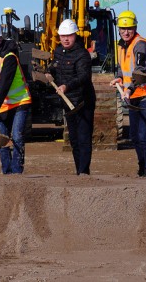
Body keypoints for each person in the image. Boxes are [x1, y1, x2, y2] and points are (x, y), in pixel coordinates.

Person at [110, 10, 146, 177]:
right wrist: (119, 79)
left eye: (130, 28)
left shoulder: (141, 45)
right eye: (123, 29)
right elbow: (122, 68)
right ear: (119, 29)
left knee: (144, 134)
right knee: (134, 136)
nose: (126, 32)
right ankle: (141, 167)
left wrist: (129, 89)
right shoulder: (121, 45)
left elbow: (139, 72)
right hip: (133, 96)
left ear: (135, 27)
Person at [0, 24, 32, 174]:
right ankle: (7, 172)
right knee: (2, 140)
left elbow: (5, 82)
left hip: (19, 102)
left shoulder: (9, 57)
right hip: (3, 105)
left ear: (0, 39)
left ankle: (17, 172)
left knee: (16, 136)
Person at [49, 19, 95, 175]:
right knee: (74, 140)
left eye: (69, 35)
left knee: (83, 138)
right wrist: (49, 72)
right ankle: (79, 171)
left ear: (75, 35)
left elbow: (83, 77)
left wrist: (66, 86)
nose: (65, 39)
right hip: (68, 103)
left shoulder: (82, 54)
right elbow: (56, 70)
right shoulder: (58, 52)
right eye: (62, 36)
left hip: (83, 102)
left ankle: (84, 172)